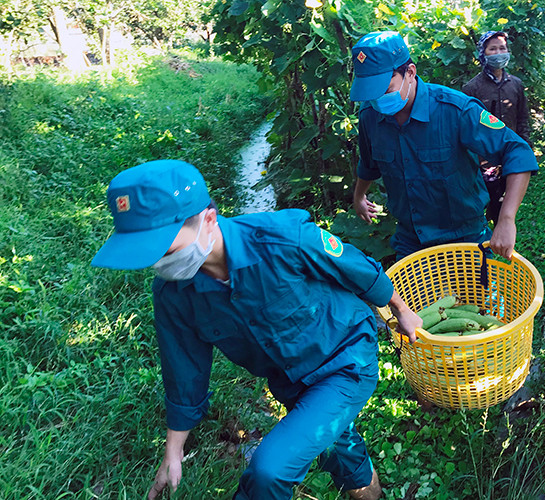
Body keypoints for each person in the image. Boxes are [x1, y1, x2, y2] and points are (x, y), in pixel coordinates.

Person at [90, 159, 421, 500]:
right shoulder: (173, 294)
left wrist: (401, 310)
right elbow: (184, 371)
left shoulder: (281, 239)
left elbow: (354, 268)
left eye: (163, 248)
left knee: (269, 470)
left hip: (344, 359)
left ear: (208, 220)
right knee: (334, 440)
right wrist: (172, 451)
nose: (157, 262)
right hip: (289, 379)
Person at [349, 31, 538, 261]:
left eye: (385, 90)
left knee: (473, 297)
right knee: (411, 297)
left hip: (465, 237)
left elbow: (516, 151)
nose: (377, 100)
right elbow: (369, 163)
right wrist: (359, 196)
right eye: (370, 94)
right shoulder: (371, 115)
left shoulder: (456, 110)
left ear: (410, 72)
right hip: (411, 239)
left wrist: (506, 219)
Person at [462, 31, 533, 226]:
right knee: (486, 198)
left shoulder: (515, 85)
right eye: (492, 49)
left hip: (509, 155)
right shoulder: (472, 88)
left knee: (506, 196)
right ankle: (486, 230)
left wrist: (524, 146)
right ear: (483, 54)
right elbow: (469, 127)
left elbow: (522, 118)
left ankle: (502, 226)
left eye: (502, 48)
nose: (498, 53)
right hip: (484, 160)